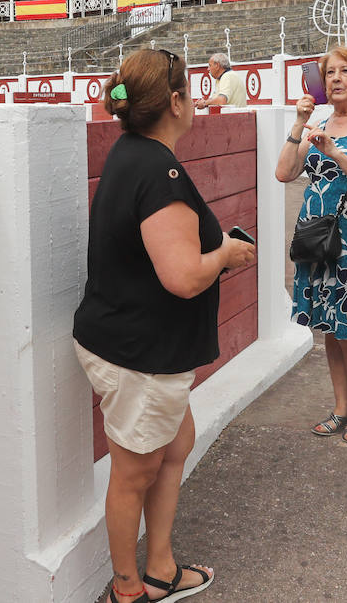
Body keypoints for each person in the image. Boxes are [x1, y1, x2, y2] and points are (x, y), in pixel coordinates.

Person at [74, 47, 256, 603]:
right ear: (175, 102)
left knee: (175, 445)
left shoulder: (133, 152)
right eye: (191, 89)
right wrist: (225, 253)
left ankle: (159, 567)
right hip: (141, 354)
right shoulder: (159, 170)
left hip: (131, 341)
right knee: (135, 470)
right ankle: (130, 589)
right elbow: (182, 277)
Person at [275, 46, 347, 444]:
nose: (336, 79)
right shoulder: (320, 122)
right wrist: (299, 122)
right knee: (327, 323)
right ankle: (340, 406)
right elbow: (284, 172)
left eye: (345, 72)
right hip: (316, 235)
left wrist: (337, 154)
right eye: (329, 73)